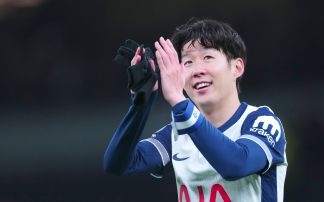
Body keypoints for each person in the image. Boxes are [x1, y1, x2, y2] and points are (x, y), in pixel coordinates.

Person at [104, 18, 287, 202]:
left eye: (208, 57)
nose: (197, 70)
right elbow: (117, 164)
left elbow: (235, 165)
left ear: (237, 67)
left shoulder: (261, 122)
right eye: (188, 62)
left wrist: (179, 101)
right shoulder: (177, 133)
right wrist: (141, 102)